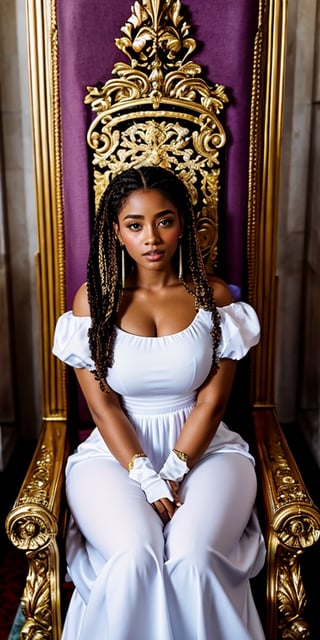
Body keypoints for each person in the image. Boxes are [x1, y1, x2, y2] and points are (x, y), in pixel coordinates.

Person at [53, 165, 266, 640]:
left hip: (206, 449)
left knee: (193, 555)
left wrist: (172, 469)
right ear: (117, 231)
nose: (152, 237)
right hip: (115, 455)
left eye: (164, 221)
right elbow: (103, 407)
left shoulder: (211, 298)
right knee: (134, 556)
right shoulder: (94, 301)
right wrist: (145, 475)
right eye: (135, 224)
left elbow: (212, 401)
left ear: (183, 224)